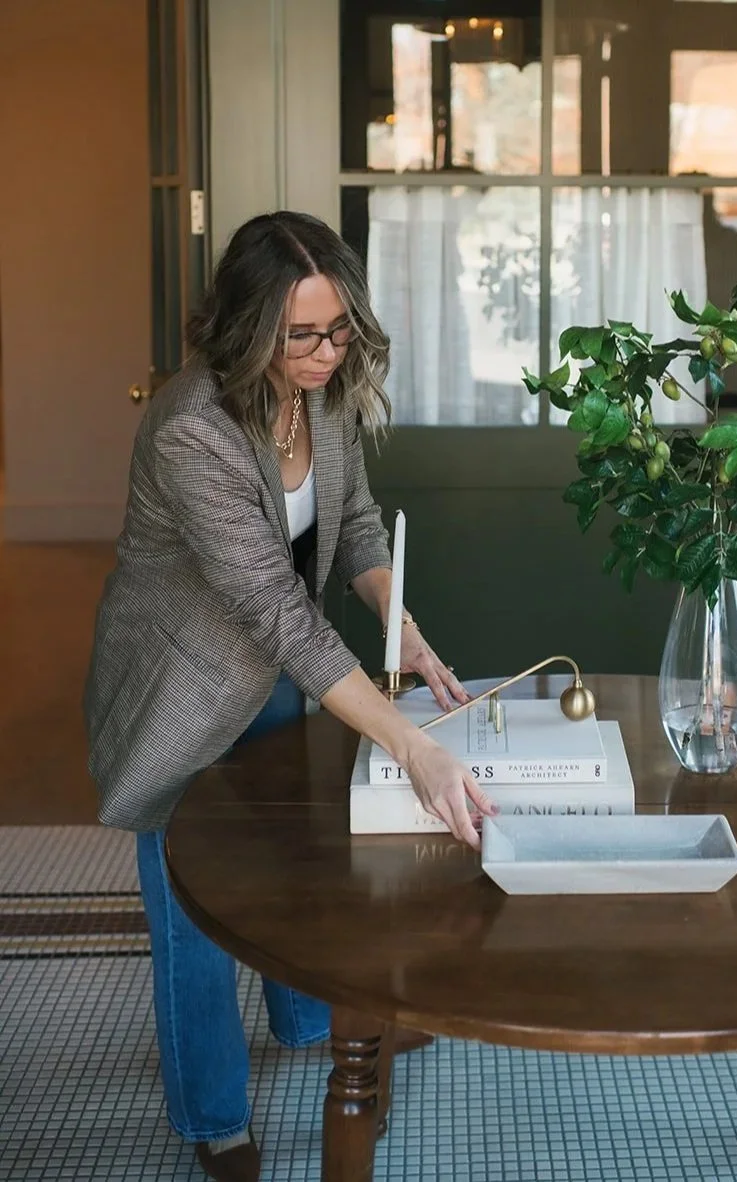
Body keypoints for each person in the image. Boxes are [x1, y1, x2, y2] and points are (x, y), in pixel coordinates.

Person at [83, 210, 496, 1182]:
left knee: (288, 867)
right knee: (193, 911)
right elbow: (276, 608)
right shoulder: (192, 429)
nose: (325, 352)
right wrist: (411, 744)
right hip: (181, 691)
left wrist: (403, 629)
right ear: (247, 327)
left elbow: (354, 526)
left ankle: (308, 1023)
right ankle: (213, 1115)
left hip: (275, 674)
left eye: (339, 329)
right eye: (300, 334)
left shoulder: (324, 396)